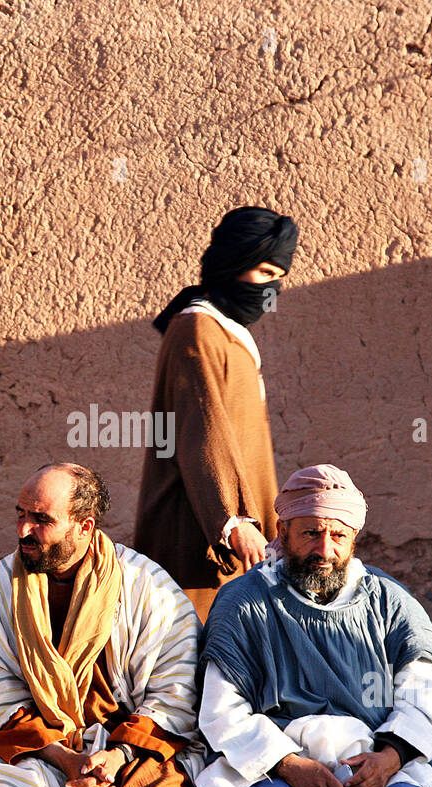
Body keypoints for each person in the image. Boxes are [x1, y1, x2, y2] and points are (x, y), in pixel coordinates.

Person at [0, 463, 240, 787]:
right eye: (20, 514)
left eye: (41, 520)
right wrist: (68, 760)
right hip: (36, 753)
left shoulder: (150, 590)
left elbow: (175, 693)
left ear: (84, 526)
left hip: (133, 750)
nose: (23, 531)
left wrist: (114, 758)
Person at [197, 464, 432, 787]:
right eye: (311, 533)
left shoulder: (389, 601)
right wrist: (289, 765)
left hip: (373, 757)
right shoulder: (243, 604)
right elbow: (222, 711)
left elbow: (424, 694)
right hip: (274, 766)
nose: (324, 550)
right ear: (283, 532)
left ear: (354, 540)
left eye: (338, 536)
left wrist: (390, 758)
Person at [135, 206, 298, 621]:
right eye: (263, 273)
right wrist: (233, 520)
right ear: (234, 264)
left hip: (236, 542)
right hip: (196, 538)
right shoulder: (198, 328)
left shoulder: (227, 332)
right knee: (190, 666)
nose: (271, 288)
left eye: (279, 278)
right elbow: (201, 430)